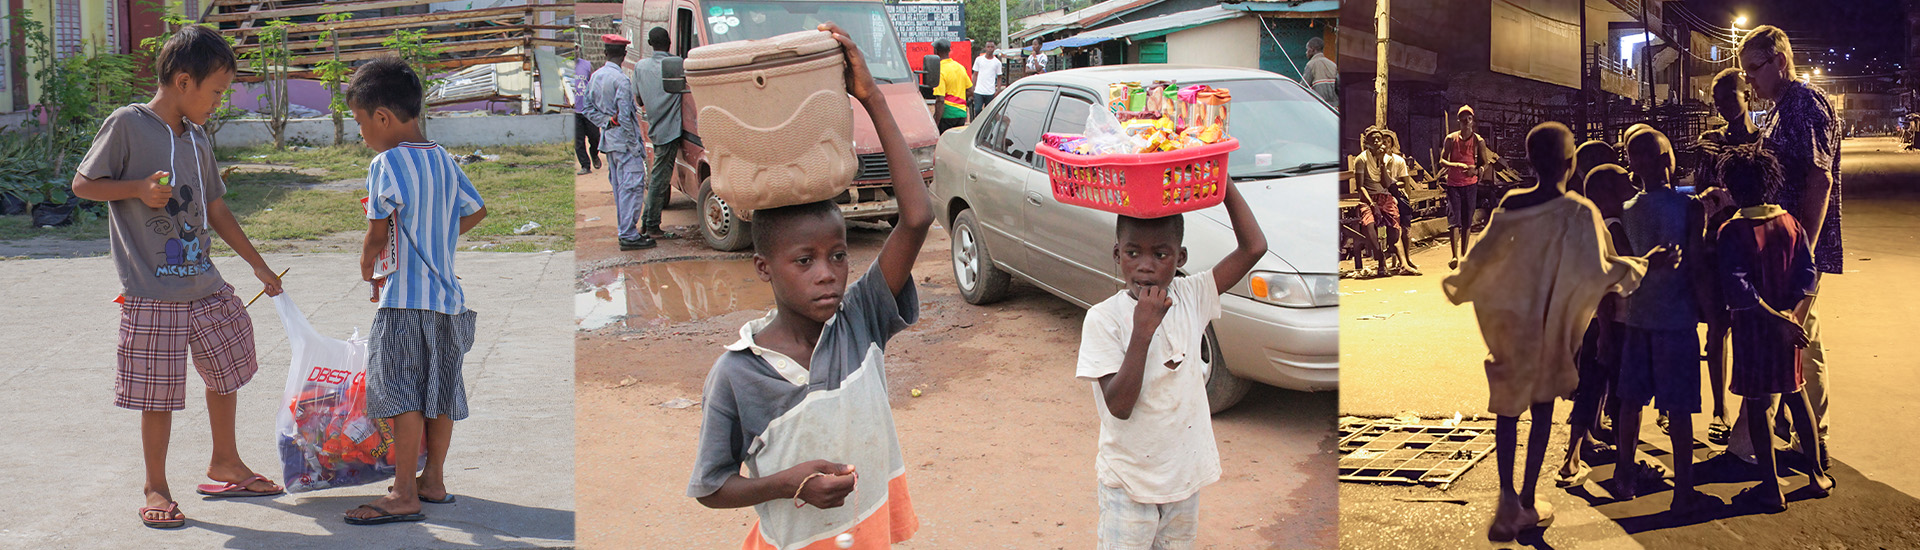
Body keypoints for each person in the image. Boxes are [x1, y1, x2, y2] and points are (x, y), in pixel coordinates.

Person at [685, 23, 934, 549]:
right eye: (804, 260)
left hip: (870, 535)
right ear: (763, 268)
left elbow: (916, 218)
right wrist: (788, 483)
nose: (828, 273)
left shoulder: (860, 319)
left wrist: (870, 97)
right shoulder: (738, 373)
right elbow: (711, 486)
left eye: (838, 255)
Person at [71, 24, 287, 530]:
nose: (218, 102)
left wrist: (257, 264)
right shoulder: (128, 124)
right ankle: (156, 486)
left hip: (203, 283)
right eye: (215, 92)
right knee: (157, 393)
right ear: (184, 82)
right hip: (151, 291)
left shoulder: (195, 138)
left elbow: (215, 206)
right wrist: (136, 189)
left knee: (228, 367)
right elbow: (84, 183)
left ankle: (225, 464)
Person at [1443, 122, 1663, 542]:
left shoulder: (1512, 203)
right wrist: (1648, 263)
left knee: (1508, 411)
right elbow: (1605, 267)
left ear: (1530, 161)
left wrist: (1463, 283)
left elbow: (1481, 260)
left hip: (1511, 326)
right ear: (1571, 163)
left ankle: (1507, 501)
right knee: (1542, 410)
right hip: (1549, 332)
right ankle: (1526, 499)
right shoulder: (1580, 212)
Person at [1077, 147, 1265, 548]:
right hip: (1129, 484)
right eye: (1133, 253)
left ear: (1179, 258)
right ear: (1117, 256)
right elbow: (1120, 405)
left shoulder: (1192, 295)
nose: (1145, 265)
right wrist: (1142, 332)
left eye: (1160, 254)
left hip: (1183, 479)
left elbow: (1253, 248)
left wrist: (1220, 177)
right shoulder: (1104, 319)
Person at [344, 57, 489, 526]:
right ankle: (434, 482)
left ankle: (403, 493)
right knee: (439, 395)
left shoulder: (385, 162)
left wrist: (369, 269)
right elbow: (476, 210)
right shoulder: (443, 158)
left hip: (403, 304)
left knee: (404, 396)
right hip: (448, 304)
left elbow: (375, 232)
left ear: (382, 117)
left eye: (361, 123)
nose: (362, 134)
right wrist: (438, 241)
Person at [1730, 25, 1840, 470]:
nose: (1749, 82)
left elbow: (1820, 178)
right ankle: (1809, 438)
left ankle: (1755, 442)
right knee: (1802, 338)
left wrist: (1804, 253)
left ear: (1779, 61)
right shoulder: (1778, 109)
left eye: (1753, 71)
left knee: (1786, 335)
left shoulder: (1804, 105)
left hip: (1793, 248)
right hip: (1781, 243)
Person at [1714, 143, 1834, 512]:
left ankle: (1770, 488)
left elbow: (1740, 289)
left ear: (1732, 188)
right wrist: (1793, 318)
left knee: (1758, 404)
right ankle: (1816, 476)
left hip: (1755, 330)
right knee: (1796, 395)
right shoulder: (1790, 223)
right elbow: (1809, 276)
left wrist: (1777, 320)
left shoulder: (1731, 231)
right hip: (1789, 331)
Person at [1610, 129, 1714, 512]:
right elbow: (1698, 267)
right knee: (1680, 408)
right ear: (1668, 160)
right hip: (1677, 321)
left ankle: (1624, 476)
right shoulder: (1688, 207)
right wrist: (1713, 320)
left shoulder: (1627, 210)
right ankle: (1683, 492)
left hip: (1638, 318)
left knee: (1631, 400)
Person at [1555, 163, 1635, 487]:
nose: (1631, 192)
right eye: (1624, 187)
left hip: (1593, 321)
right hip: (1608, 322)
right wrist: (1605, 332)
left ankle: (1572, 457)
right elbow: (1606, 281)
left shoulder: (1590, 224)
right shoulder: (1611, 227)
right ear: (1607, 195)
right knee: (1616, 393)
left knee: (1590, 388)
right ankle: (1623, 467)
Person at [1694, 67, 1756, 447]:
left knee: (1750, 327)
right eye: (1718, 102)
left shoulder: (1762, 141)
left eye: (1730, 98)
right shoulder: (1708, 140)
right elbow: (1702, 189)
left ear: (1747, 93)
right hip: (1713, 245)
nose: (1724, 107)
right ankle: (1720, 409)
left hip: (1750, 245)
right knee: (1716, 328)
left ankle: (1760, 412)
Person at [581, 34, 653, 250]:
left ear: (605, 54)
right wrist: (635, 147)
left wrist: (605, 122)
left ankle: (627, 232)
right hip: (624, 143)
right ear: (623, 55)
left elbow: (586, 108)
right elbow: (624, 117)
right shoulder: (621, 80)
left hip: (609, 142)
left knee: (621, 189)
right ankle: (629, 234)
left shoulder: (596, 76)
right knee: (632, 187)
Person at [633, 27, 687, 242]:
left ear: (649, 43)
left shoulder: (640, 66)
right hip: (671, 129)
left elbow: (639, 101)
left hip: (654, 126)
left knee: (658, 176)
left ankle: (647, 223)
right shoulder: (677, 64)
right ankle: (652, 226)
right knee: (659, 179)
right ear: (670, 42)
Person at [1438, 105, 1493, 270]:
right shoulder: (1451, 139)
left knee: (1467, 221)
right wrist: (1455, 164)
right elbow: (1442, 160)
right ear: (1459, 121)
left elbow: (1485, 162)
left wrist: (1476, 171)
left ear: (1472, 121)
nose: (1466, 121)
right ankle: (1454, 256)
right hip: (1453, 184)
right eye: (1463, 118)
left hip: (1470, 185)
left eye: (1469, 118)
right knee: (1454, 220)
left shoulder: (1478, 141)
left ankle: (1464, 255)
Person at [1353, 127, 1408, 277]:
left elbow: (1386, 184)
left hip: (1384, 196)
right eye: (1373, 139)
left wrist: (1382, 162)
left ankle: (1392, 249)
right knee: (1368, 224)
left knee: (1394, 222)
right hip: (1368, 198)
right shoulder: (1361, 159)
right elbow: (1360, 187)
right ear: (1367, 142)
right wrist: (1372, 205)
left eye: (1379, 139)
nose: (1377, 142)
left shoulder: (1387, 159)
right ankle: (1380, 258)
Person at [1381, 129, 1420, 275]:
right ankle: (1383, 262)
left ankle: (1407, 259)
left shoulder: (1399, 161)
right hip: (1382, 196)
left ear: (1391, 143)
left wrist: (1396, 188)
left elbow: (1405, 181)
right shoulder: (1375, 160)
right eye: (1382, 141)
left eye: (1387, 141)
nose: (1384, 144)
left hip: (1398, 194)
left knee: (1406, 228)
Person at [931, 39, 972, 133]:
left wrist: (936, 122)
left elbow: (940, 100)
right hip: (961, 114)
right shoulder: (960, 67)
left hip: (947, 115)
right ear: (949, 51)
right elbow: (970, 91)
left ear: (936, 51)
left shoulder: (940, 70)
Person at [572, 54, 602, 176]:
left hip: (588, 110)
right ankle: (585, 165)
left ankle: (594, 154)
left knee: (595, 137)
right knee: (578, 141)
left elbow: (595, 84)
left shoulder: (587, 65)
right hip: (573, 111)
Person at [1302, 36, 1338, 109]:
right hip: (1334, 107)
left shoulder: (1311, 65)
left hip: (1319, 106)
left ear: (1312, 50)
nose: (1306, 53)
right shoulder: (1333, 65)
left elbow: (1304, 87)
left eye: (1307, 50)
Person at [970, 41, 1002, 121]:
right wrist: (973, 88)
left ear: (994, 49)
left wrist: (998, 90)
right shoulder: (979, 60)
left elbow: (999, 77)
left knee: (989, 112)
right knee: (977, 110)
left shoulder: (997, 62)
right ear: (985, 48)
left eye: (992, 47)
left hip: (990, 91)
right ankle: (978, 125)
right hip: (979, 91)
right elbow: (975, 74)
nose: (990, 49)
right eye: (988, 47)